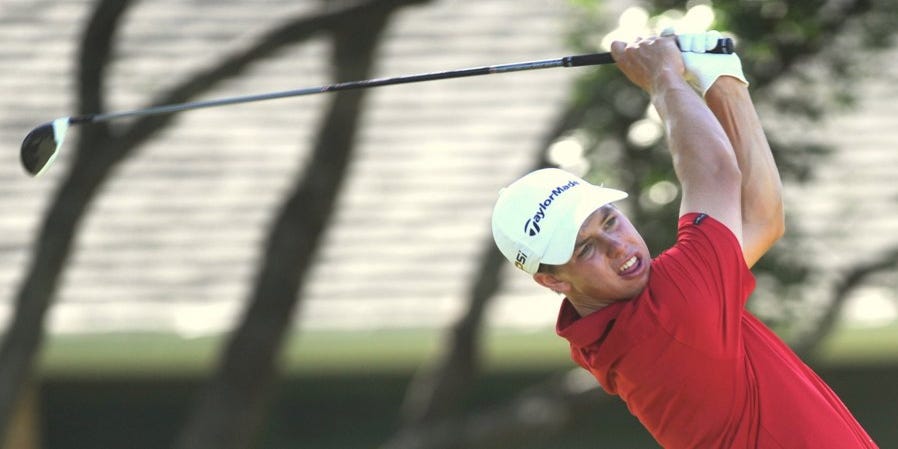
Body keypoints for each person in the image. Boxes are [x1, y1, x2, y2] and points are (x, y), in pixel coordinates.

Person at [490, 31, 878, 448]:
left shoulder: (632, 321)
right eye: (585, 248)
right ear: (553, 281)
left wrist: (722, 79)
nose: (617, 246)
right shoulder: (667, 316)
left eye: (609, 221)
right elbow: (714, 172)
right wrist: (663, 78)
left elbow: (760, 221)